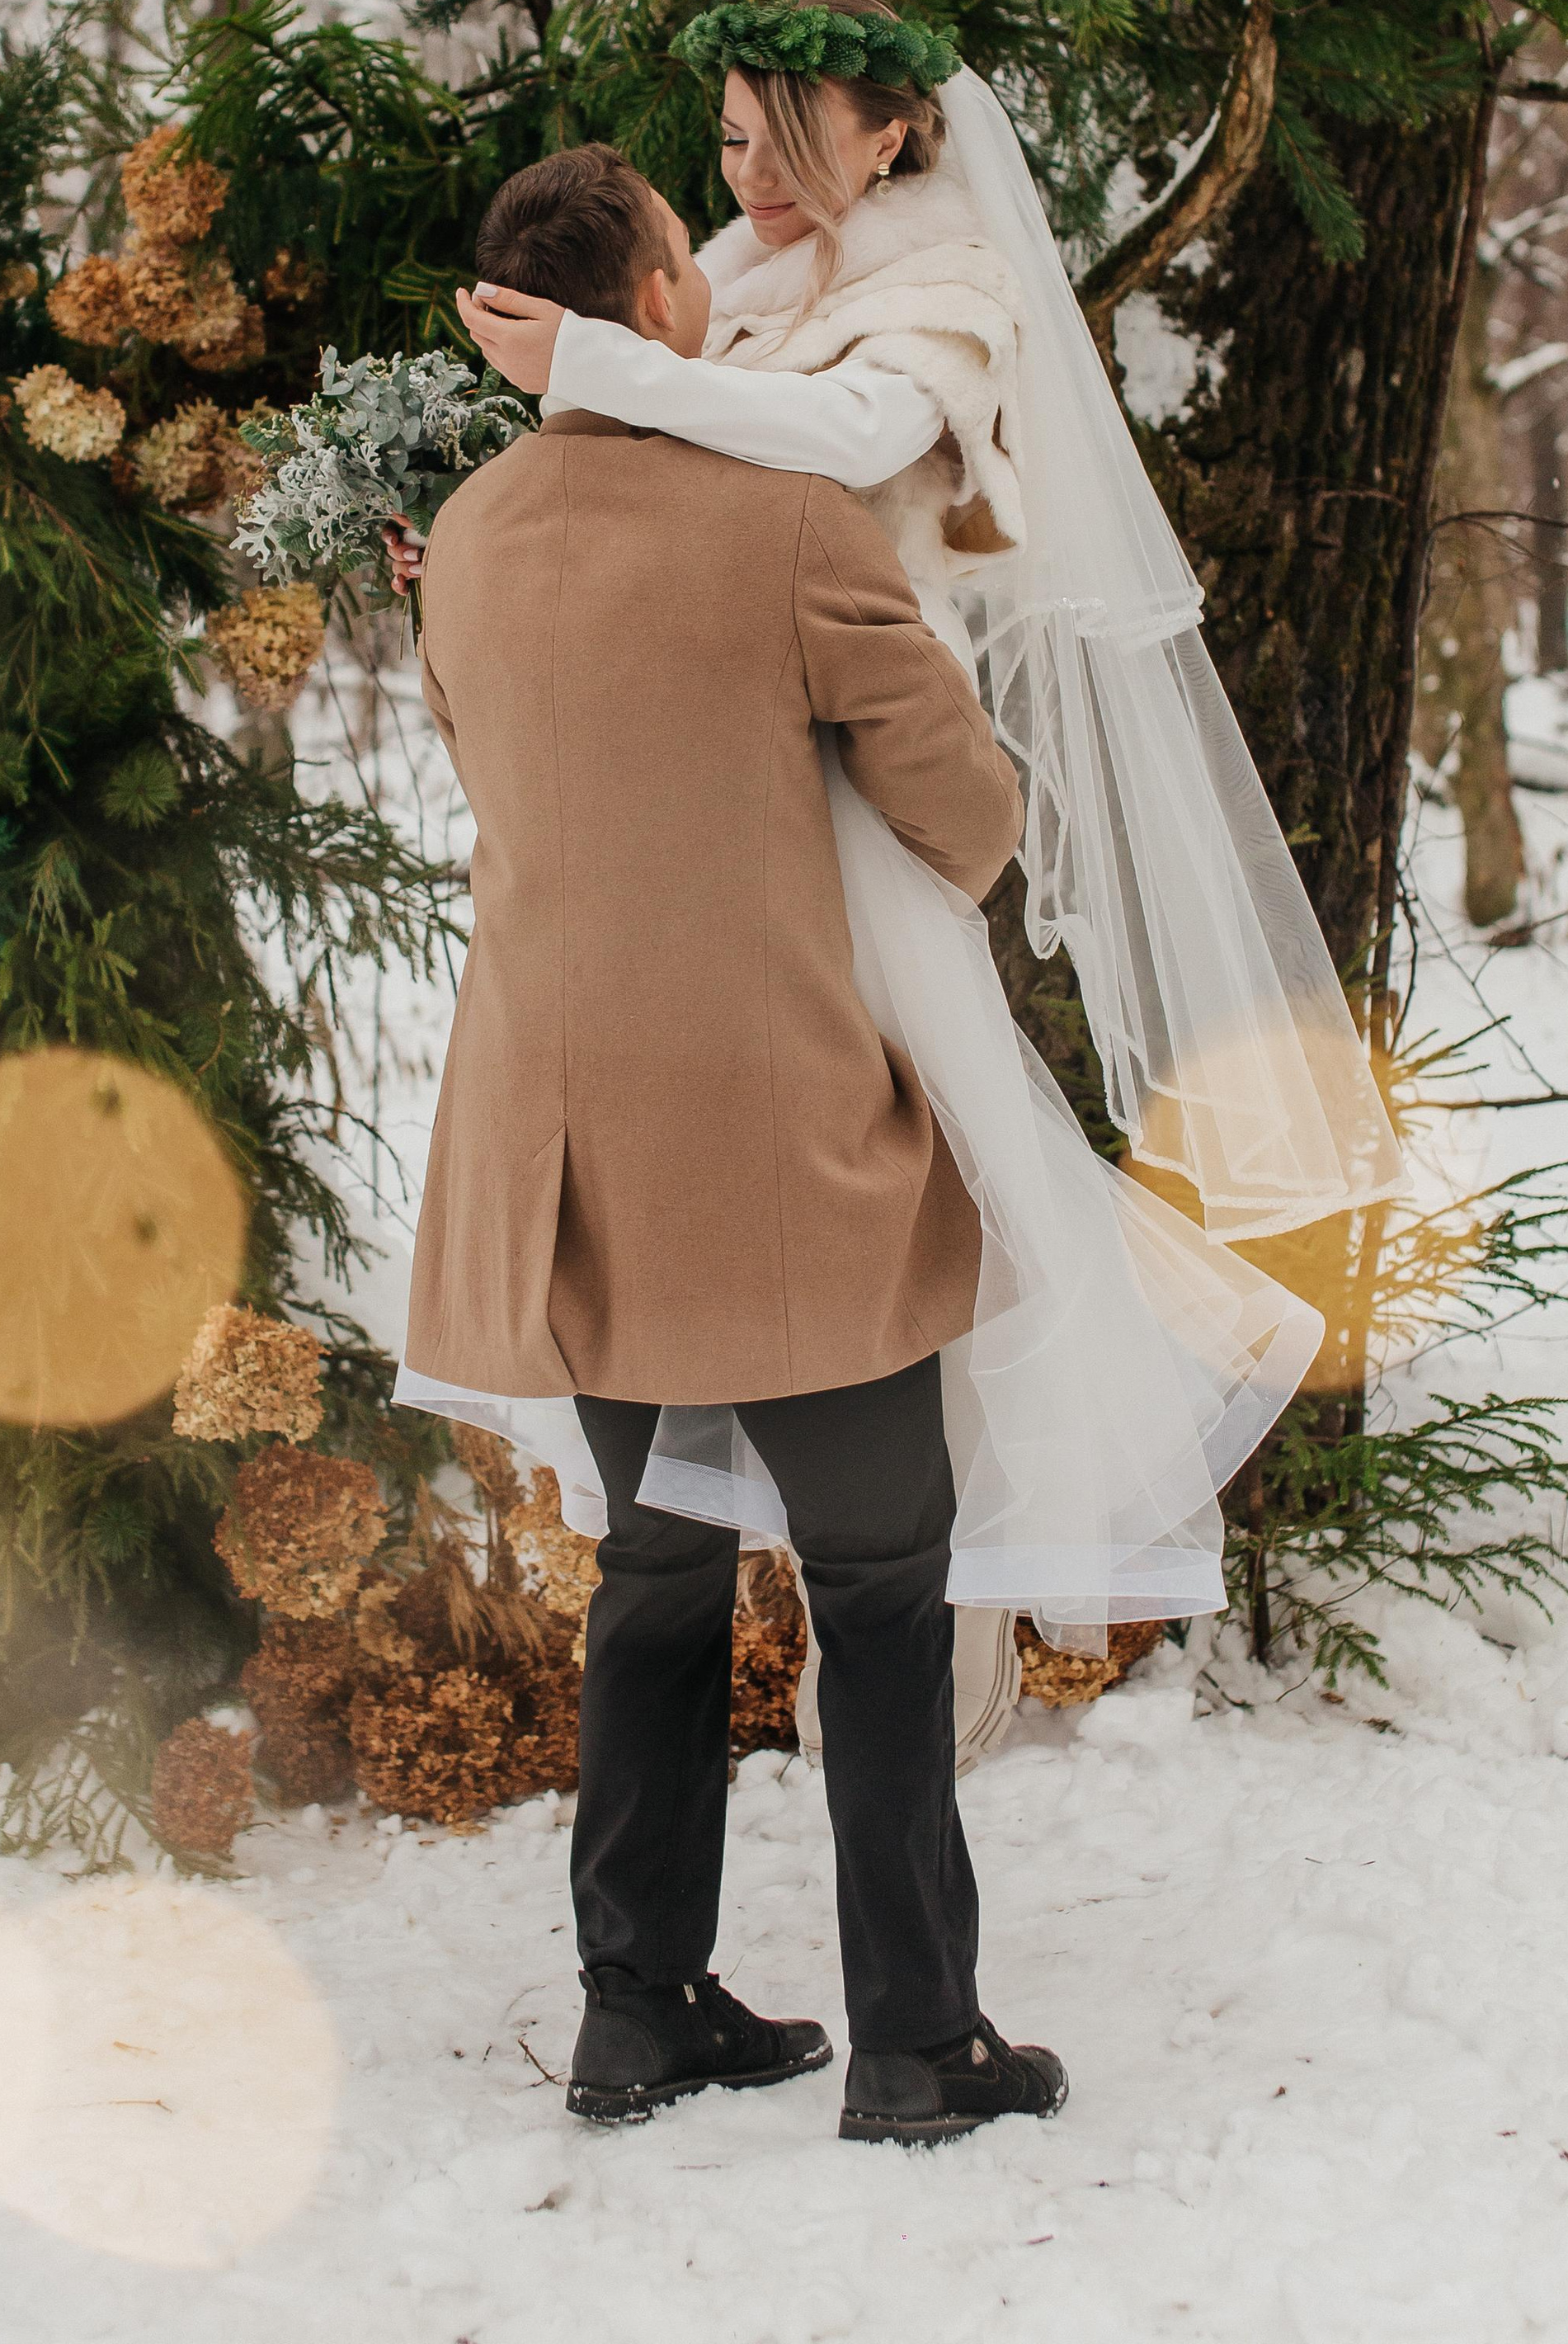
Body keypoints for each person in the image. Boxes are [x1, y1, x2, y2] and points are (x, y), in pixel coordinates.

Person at [435, 0, 1400, 1703]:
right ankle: (793, 1597)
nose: (746, 175)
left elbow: (844, 446)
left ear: (888, 135)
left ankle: (925, 1645)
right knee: (763, 1212)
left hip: (864, 788)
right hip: (717, 795)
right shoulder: (720, 273)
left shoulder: (944, 293)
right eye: (726, 139)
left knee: (912, 1218)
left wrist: (591, 364)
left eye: (783, 139)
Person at [403, 138, 1070, 2145]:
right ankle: (915, 2044)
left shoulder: (475, 529)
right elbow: (957, 802)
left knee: (658, 1571)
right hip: (783, 1139)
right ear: (656, 301)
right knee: (878, 1580)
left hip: (565, 1145)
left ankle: (637, 2009)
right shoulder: (778, 520)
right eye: (688, 253)